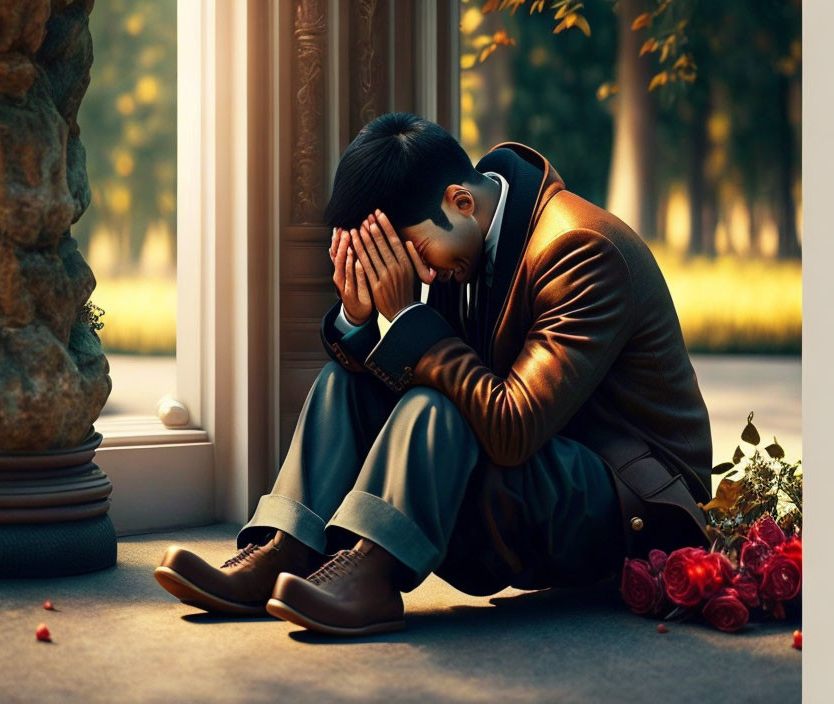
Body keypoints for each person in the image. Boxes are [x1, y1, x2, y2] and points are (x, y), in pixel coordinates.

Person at [154, 112, 714, 637]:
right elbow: (451, 378)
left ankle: (372, 575)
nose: (421, 272)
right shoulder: (465, 238)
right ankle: (288, 547)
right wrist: (359, 315)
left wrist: (411, 319)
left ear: (461, 200)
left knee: (435, 403)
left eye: (417, 251)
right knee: (343, 383)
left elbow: (511, 424)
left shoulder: (580, 250)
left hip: (629, 500)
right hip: (547, 457)